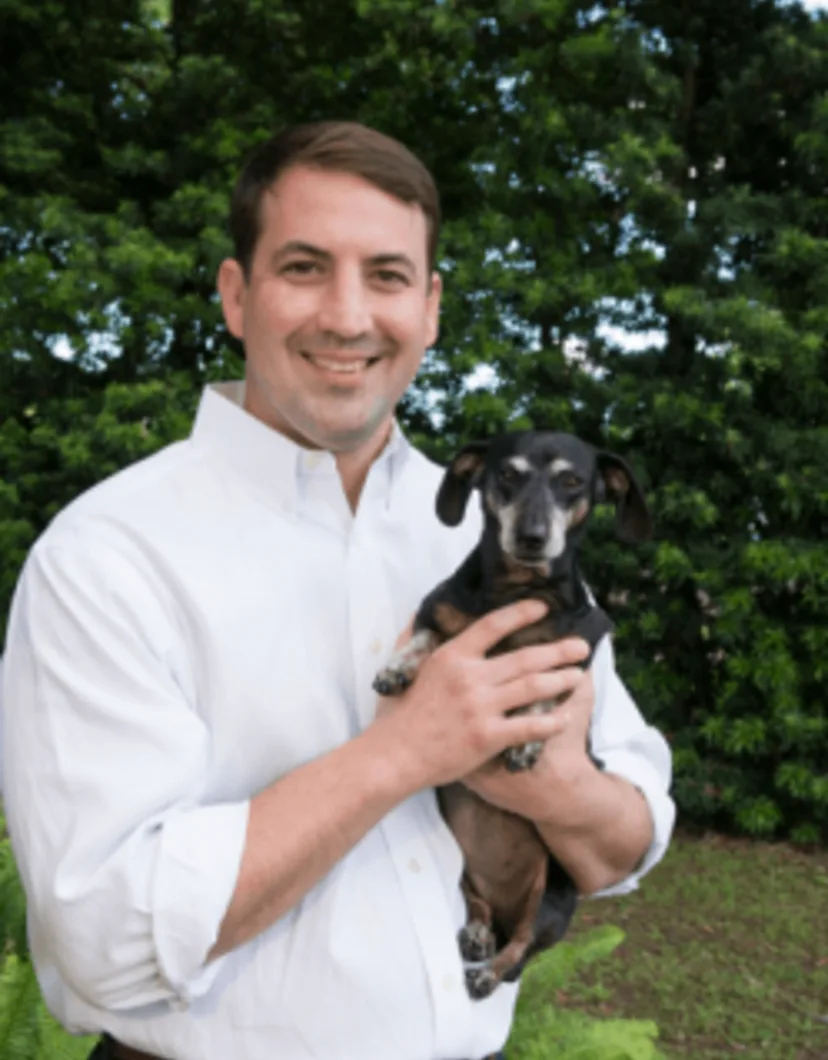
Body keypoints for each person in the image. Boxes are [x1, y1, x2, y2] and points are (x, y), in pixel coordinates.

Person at [1, 121, 675, 1060]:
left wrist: (563, 788)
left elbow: (627, 835)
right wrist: (405, 751)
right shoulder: (105, 557)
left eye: (389, 276)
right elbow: (100, 938)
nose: (349, 315)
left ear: (431, 308)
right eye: (305, 267)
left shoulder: (496, 539)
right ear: (237, 295)